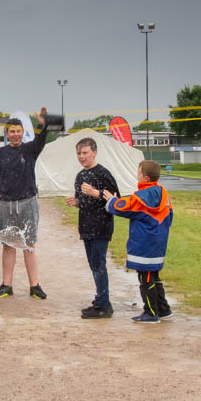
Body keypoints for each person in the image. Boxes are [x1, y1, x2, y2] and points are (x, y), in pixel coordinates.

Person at [0, 110, 50, 300]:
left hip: (28, 202)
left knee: (29, 245)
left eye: (18, 131)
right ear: (7, 134)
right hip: (4, 203)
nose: (15, 134)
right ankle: (7, 285)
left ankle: (35, 286)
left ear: (23, 132)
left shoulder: (30, 150)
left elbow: (41, 140)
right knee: (8, 246)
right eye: (11, 131)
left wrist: (42, 125)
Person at [103, 160, 174, 324]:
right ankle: (164, 309)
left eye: (139, 172)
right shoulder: (164, 195)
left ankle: (151, 312)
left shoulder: (140, 197)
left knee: (146, 277)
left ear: (146, 178)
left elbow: (124, 207)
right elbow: (169, 216)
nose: (137, 175)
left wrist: (111, 200)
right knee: (154, 275)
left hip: (144, 243)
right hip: (159, 241)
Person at [65, 137, 120, 319]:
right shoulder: (80, 176)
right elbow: (83, 200)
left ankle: (103, 305)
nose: (82, 157)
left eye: (85, 153)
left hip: (101, 226)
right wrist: (76, 202)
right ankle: (102, 300)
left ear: (94, 152)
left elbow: (116, 200)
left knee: (99, 266)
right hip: (86, 226)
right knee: (93, 265)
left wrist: (96, 193)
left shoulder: (103, 174)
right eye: (79, 153)